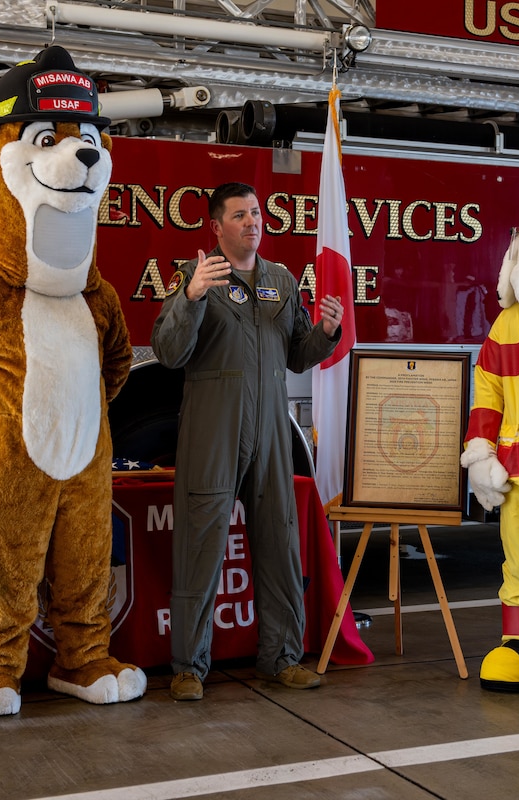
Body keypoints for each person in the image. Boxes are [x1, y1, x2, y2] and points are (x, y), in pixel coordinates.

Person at [151, 181, 345, 701]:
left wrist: (327, 331)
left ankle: (280, 658)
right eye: (239, 215)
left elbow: (298, 355)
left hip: (270, 432)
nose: (252, 222)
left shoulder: (280, 281)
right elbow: (168, 352)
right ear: (216, 227)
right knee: (201, 544)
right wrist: (191, 298)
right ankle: (189, 668)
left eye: (256, 213)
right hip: (213, 430)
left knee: (280, 542)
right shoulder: (198, 277)